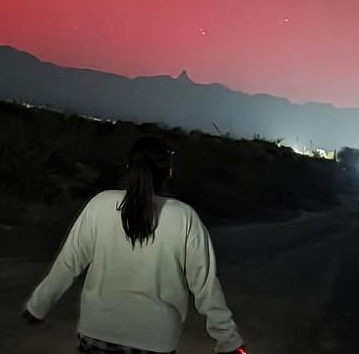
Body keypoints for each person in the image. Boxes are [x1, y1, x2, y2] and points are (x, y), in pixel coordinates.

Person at [23, 136, 247, 354]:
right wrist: (228, 340)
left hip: (96, 333)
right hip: (155, 339)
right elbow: (205, 285)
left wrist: (37, 306)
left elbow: (69, 263)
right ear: (168, 172)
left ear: (129, 167)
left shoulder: (100, 204)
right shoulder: (184, 217)